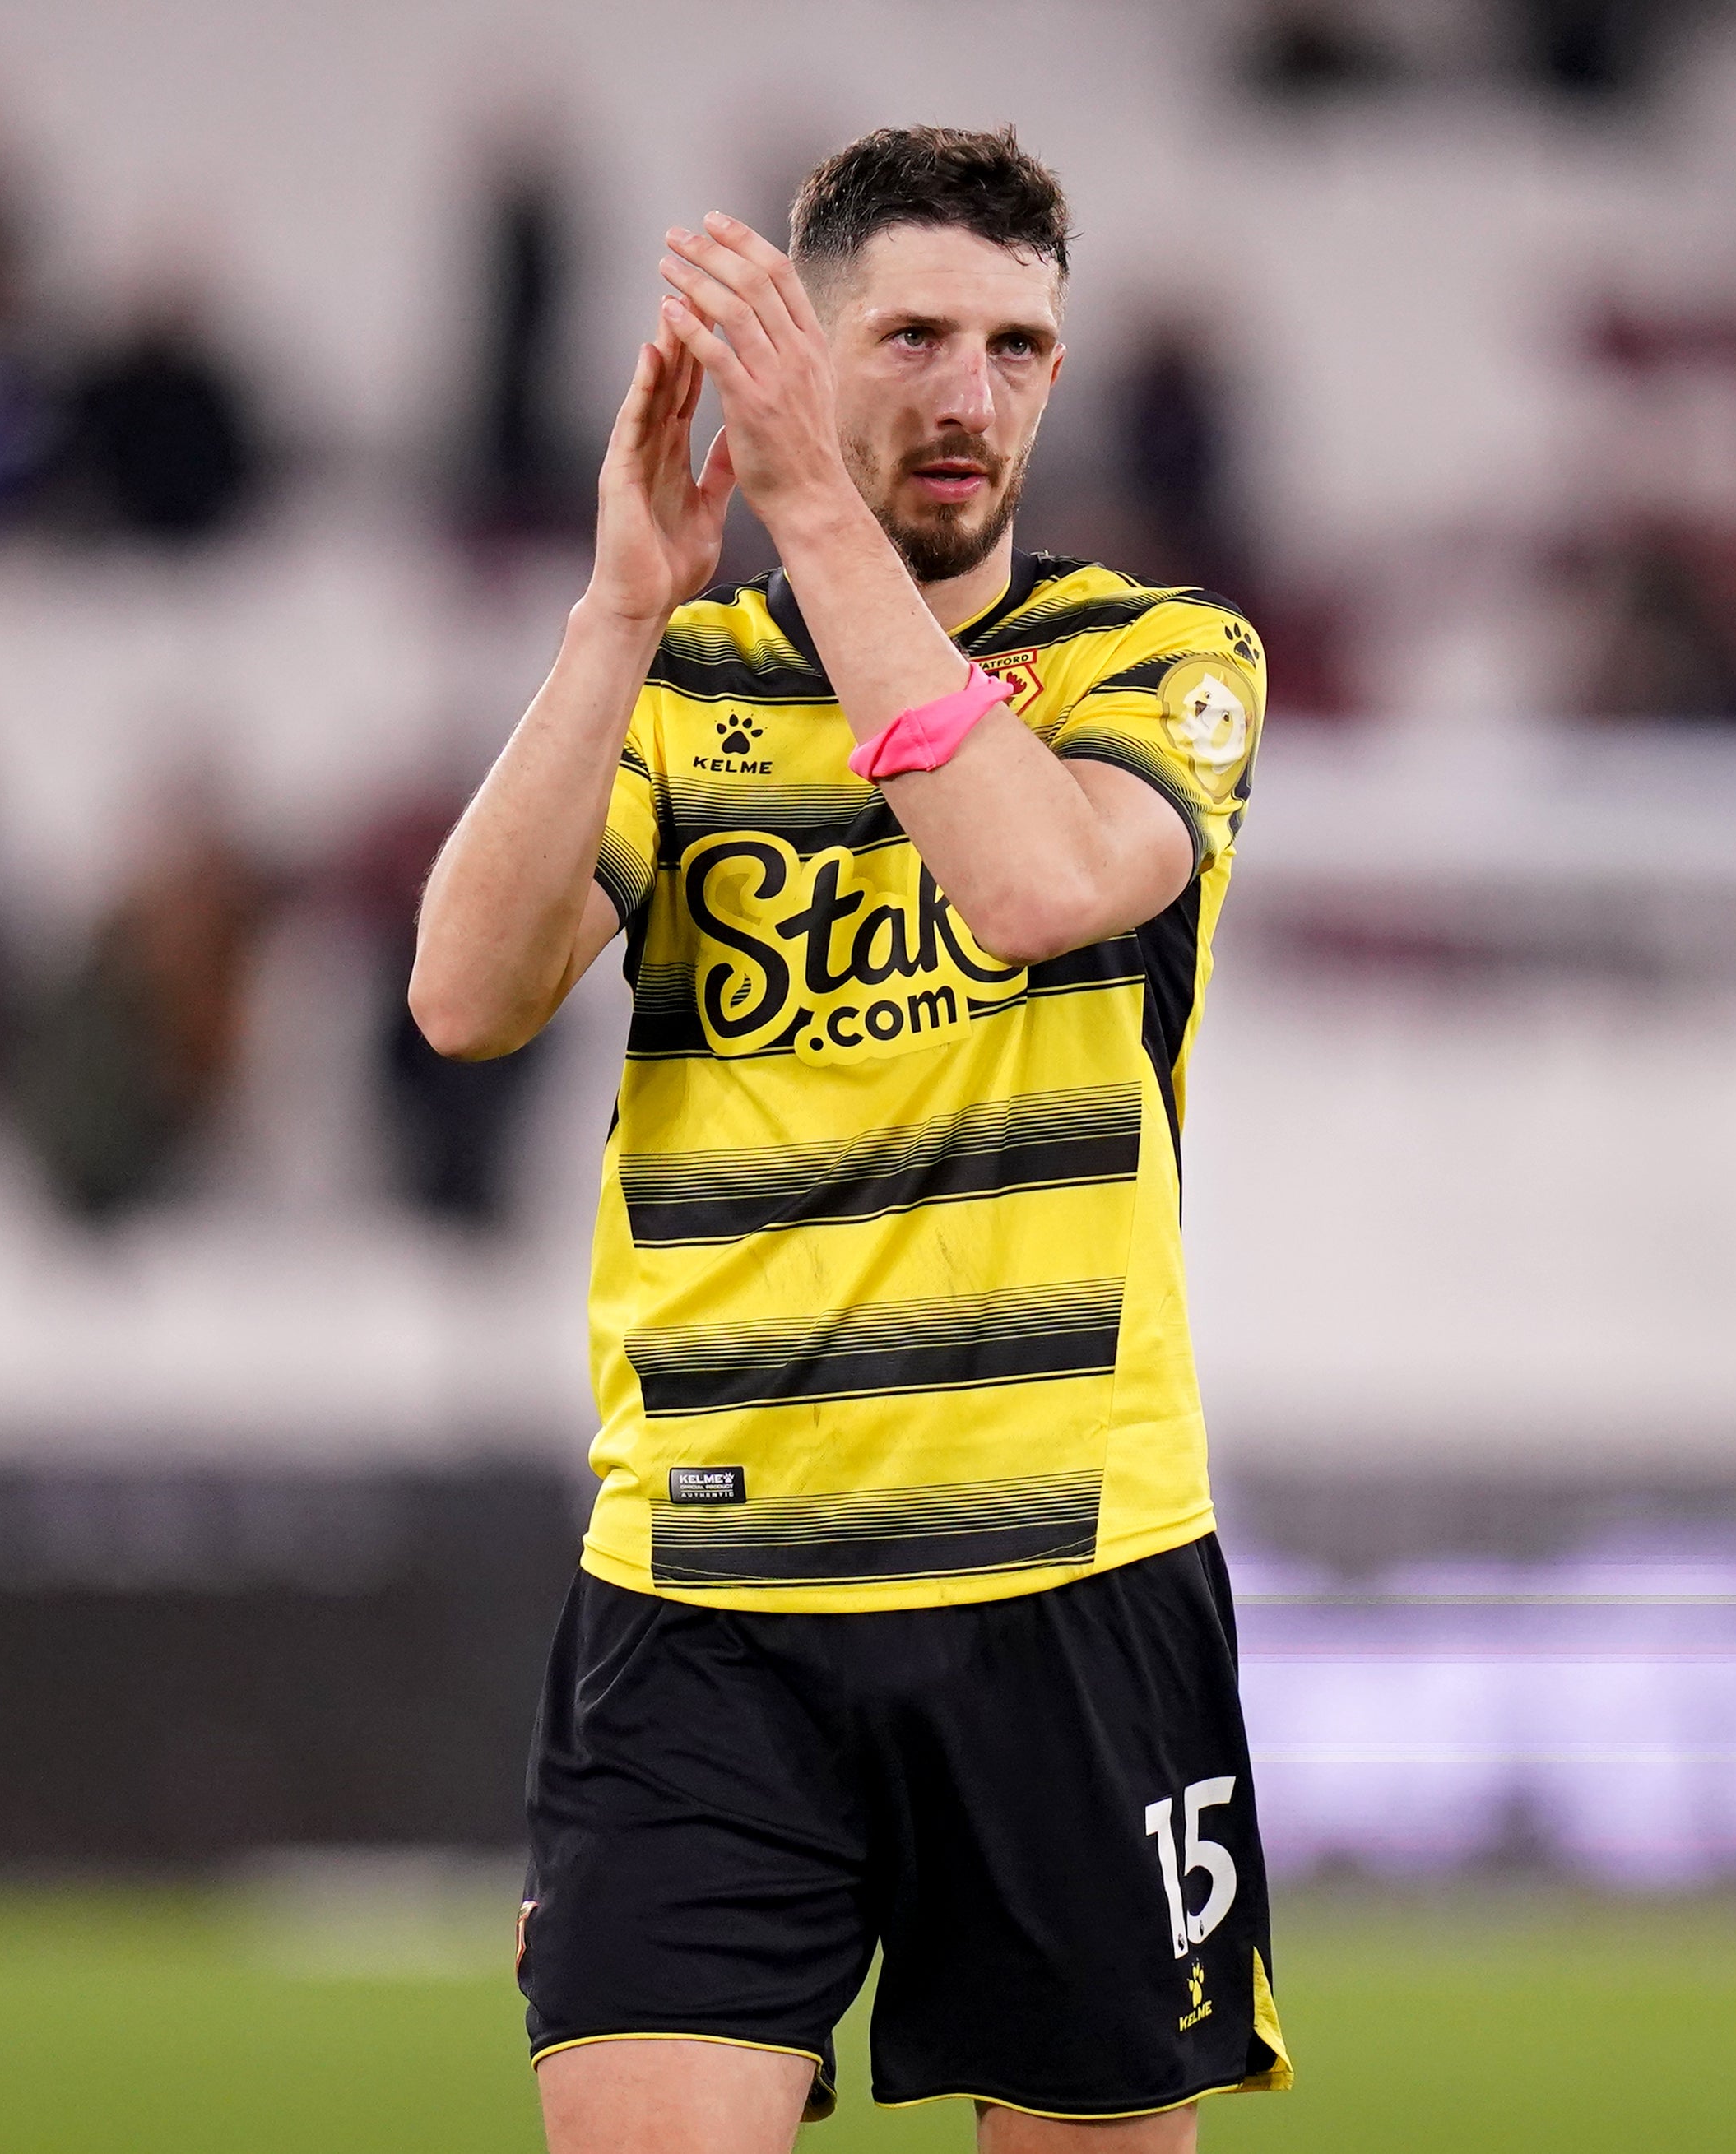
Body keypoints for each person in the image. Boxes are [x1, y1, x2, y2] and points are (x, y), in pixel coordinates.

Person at [410, 127, 1288, 2152]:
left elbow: (1041, 886)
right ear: (800, 351)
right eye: (907, 336)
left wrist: (809, 513)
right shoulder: (675, 690)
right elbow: (462, 994)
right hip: (710, 1595)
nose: (968, 396)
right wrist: (621, 605)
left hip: (1071, 1571)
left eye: (1017, 347)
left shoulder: (1158, 661)